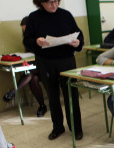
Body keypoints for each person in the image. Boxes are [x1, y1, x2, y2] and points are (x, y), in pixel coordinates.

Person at [23, 0, 84, 140]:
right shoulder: (33, 17)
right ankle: (58, 127)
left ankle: (76, 128)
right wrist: (37, 42)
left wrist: (78, 42)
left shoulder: (66, 15)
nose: (54, 5)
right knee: (52, 96)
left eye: (56, 1)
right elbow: (27, 41)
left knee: (71, 95)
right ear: (40, 2)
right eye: (50, 2)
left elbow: (79, 35)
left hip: (66, 60)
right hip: (45, 62)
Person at [3, 16, 47, 117]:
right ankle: (42, 106)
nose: (25, 32)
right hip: (35, 69)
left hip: (47, 67)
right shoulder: (27, 39)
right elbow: (29, 53)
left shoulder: (42, 35)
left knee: (31, 73)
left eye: (26, 29)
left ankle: (14, 90)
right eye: (23, 30)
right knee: (33, 78)